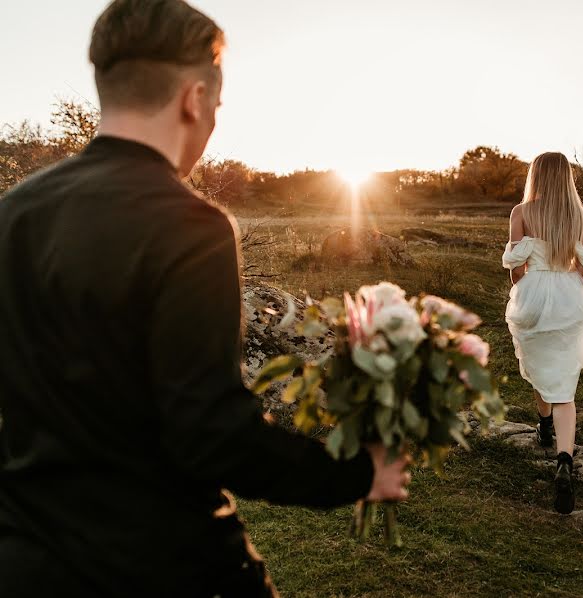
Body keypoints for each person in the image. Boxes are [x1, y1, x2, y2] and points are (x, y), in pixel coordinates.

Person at [0, 1, 410, 596]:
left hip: (25, 562)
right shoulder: (189, 225)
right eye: (216, 106)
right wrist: (353, 474)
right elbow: (209, 430)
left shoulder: (12, 214)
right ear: (194, 99)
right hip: (165, 563)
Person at [502, 152, 583, 514]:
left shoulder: (521, 212)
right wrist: (566, 283)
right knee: (564, 385)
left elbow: (515, 268)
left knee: (537, 363)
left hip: (533, 293)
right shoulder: (581, 216)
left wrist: (528, 287)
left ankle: (543, 424)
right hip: (568, 296)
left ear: (536, 176)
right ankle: (564, 463)